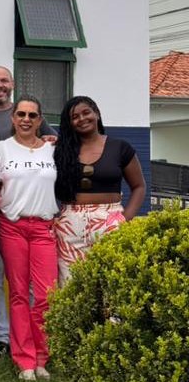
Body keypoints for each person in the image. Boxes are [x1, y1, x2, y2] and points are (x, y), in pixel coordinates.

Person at [0, 65, 55, 356]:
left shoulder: (30, 114)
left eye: (3, 80)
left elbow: (52, 146)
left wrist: (53, 140)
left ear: (11, 84)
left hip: (38, 220)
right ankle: (1, 337)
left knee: (36, 286)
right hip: (1, 215)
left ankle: (36, 339)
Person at [0, 96, 58, 381]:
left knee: (45, 294)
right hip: (12, 226)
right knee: (19, 293)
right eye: (21, 114)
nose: (26, 120)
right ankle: (25, 360)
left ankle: (42, 357)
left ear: (40, 119)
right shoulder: (0, 149)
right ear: (13, 118)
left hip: (44, 227)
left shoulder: (52, 149)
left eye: (32, 115)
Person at [54, 95, 146, 286]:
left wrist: (124, 219)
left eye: (86, 112)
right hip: (70, 224)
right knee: (71, 287)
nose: (82, 119)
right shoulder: (61, 150)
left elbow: (139, 186)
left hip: (110, 219)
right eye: (75, 117)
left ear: (96, 113)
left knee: (112, 285)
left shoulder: (120, 147)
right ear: (69, 123)